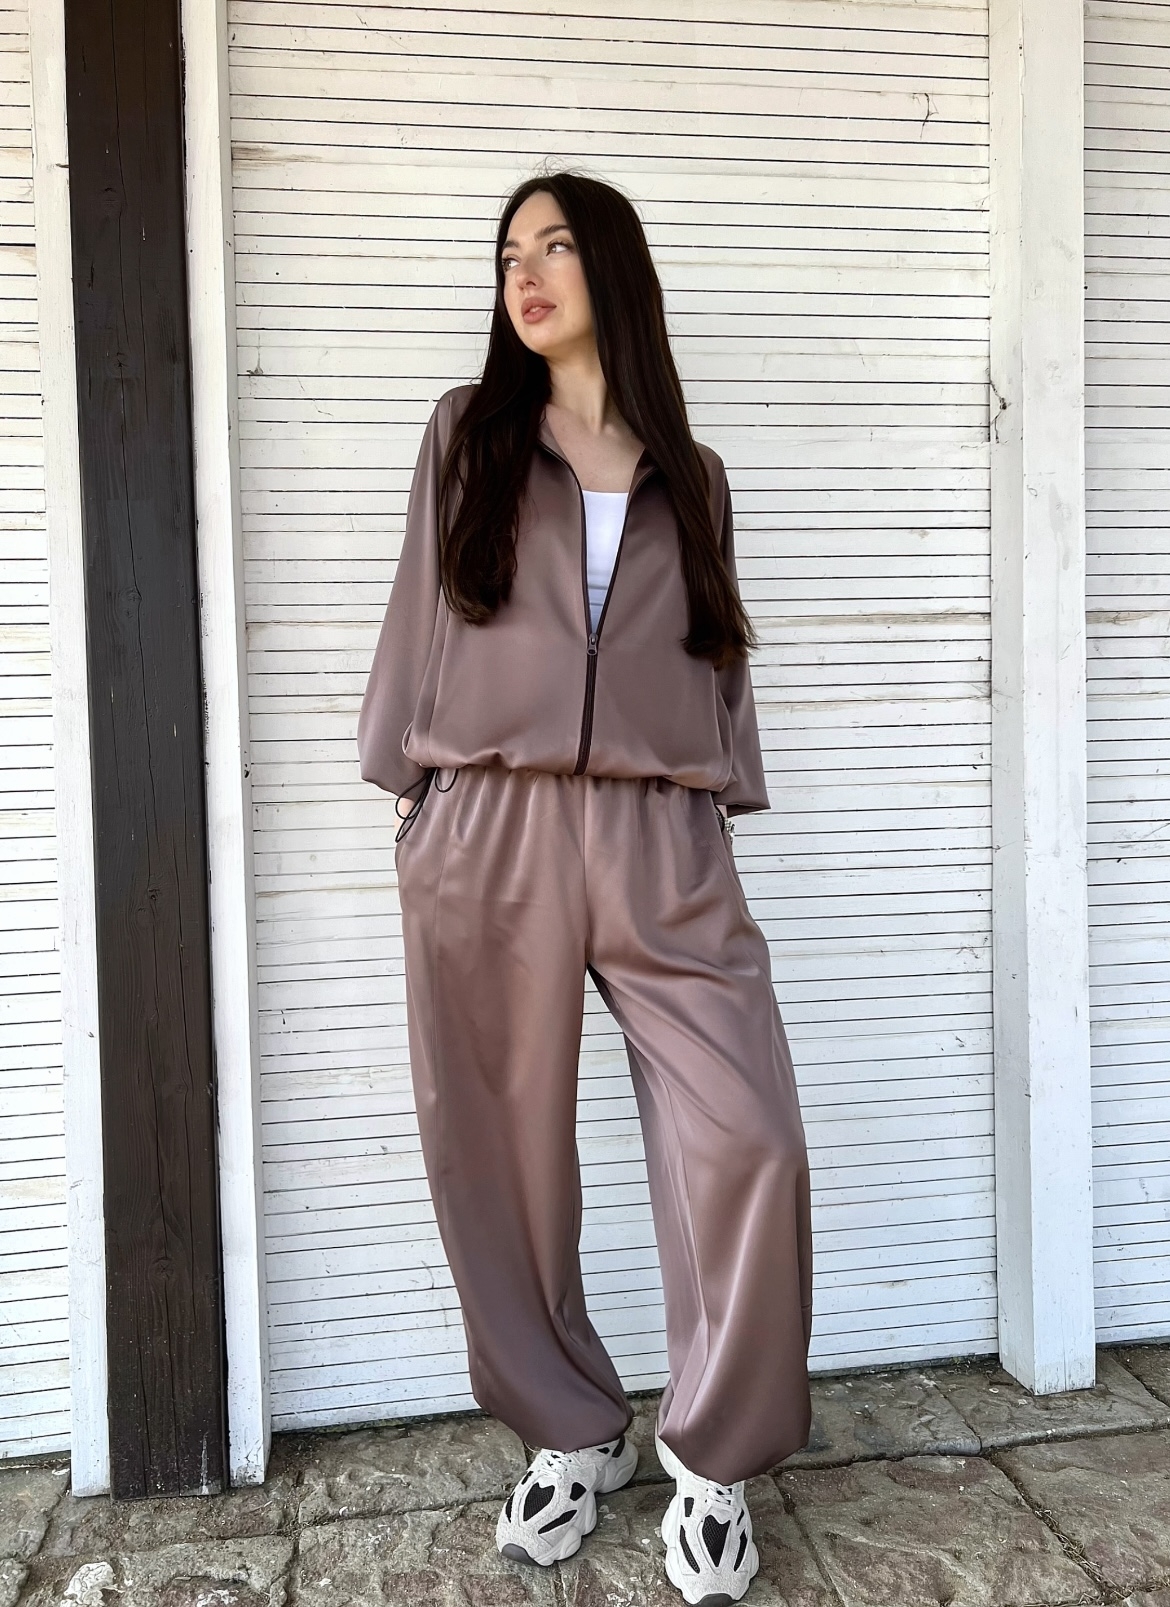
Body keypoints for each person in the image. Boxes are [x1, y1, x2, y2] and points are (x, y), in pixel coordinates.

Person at [357, 170, 813, 1607]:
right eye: (509, 253)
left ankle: (714, 1455)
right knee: (496, 1149)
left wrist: (719, 798)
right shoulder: (471, 433)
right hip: (487, 822)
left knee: (746, 1134)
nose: (526, 274)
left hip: (662, 830)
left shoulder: (694, 472)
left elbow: (716, 650)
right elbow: (417, 614)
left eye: (555, 246)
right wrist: (411, 790)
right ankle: (568, 1427)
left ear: (613, 270)